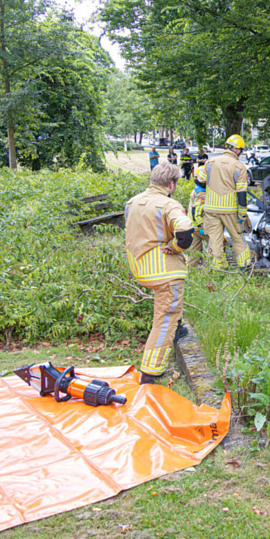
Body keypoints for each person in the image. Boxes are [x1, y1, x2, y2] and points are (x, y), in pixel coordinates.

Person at [123, 163, 194, 384]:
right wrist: (175, 247)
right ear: (171, 184)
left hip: (141, 269)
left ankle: (177, 331)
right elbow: (185, 231)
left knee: (167, 315)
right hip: (165, 272)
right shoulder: (168, 203)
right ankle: (150, 372)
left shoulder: (132, 202)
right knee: (165, 319)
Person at [198, 134, 252, 269]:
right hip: (230, 211)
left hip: (211, 209)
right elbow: (241, 194)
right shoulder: (239, 167)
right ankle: (245, 266)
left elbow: (199, 181)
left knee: (215, 241)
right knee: (238, 238)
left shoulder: (210, 162)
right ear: (238, 150)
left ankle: (218, 269)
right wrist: (242, 215)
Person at [186, 177, 209, 267]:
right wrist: (202, 226)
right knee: (216, 249)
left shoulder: (196, 189)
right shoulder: (202, 192)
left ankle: (191, 276)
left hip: (192, 226)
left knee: (193, 256)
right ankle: (214, 272)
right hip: (200, 227)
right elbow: (196, 212)